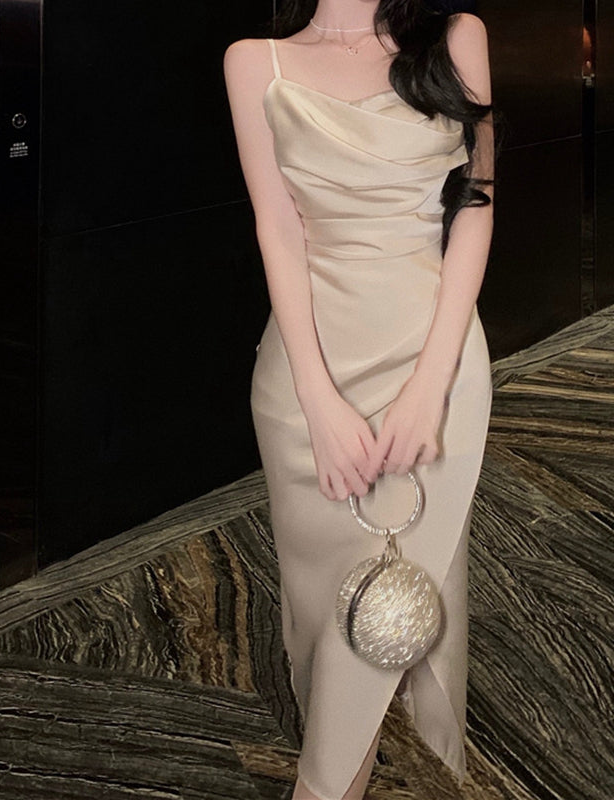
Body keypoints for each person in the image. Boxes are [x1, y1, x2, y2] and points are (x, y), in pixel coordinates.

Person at [223, 2, 495, 799]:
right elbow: (278, 230)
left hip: (435, 357)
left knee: (412, 590)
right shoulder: (255, 60)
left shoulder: (456, 37)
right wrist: (318, 400)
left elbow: (476, 206)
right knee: (328, 609)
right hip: (309, 376)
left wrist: (429, 387)